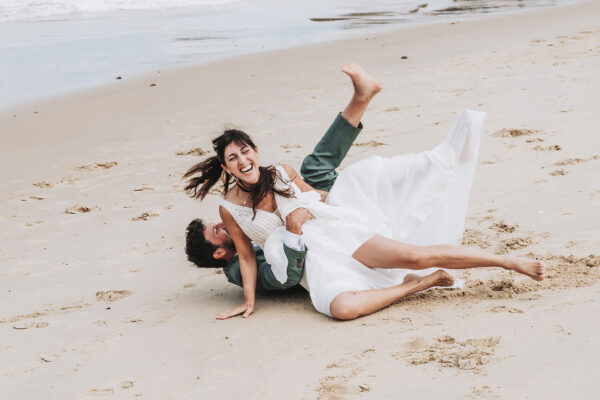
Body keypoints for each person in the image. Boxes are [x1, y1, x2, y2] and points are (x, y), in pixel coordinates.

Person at [185, 63, 546, 321]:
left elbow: (318, 196)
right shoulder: (228, 208)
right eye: (234, 157)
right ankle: (420, 286)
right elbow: (246, 257)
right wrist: (248, 302)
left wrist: (314, 207)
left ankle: (509, 262)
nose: (243, 160)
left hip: (333, 231)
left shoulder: (282, 172)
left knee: (415, 255)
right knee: (342, 309)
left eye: (246, 151)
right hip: (316, 261)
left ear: (256, 151)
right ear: (226, 167)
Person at [185, 108, 364, 303]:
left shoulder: (242, 218)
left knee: (312, 172)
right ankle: (357, 106)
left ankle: (357, 106)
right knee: (315, 168)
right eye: (217, 231)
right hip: (312, 244)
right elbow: (286, 276)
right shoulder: (237, 270)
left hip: (305, 207)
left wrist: (338, 201)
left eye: (216, 224)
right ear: (219, 253)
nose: (221, 224)